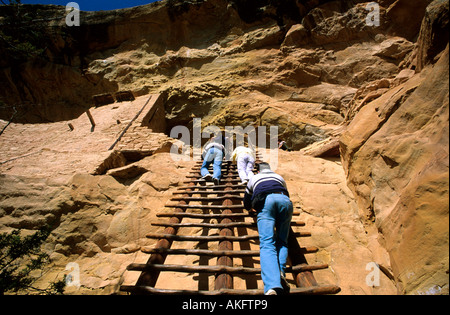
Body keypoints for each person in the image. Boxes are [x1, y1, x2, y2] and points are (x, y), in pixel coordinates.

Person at [243, 162, 293, 295]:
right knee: (282, 241)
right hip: (285, 201)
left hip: (267, 202)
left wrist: (249, 208)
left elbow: (247, 200)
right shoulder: (279, 177)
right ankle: (280, 272)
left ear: (258, 171)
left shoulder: (254, 177)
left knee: (267, 243)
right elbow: (286, 193)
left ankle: (273, 285)